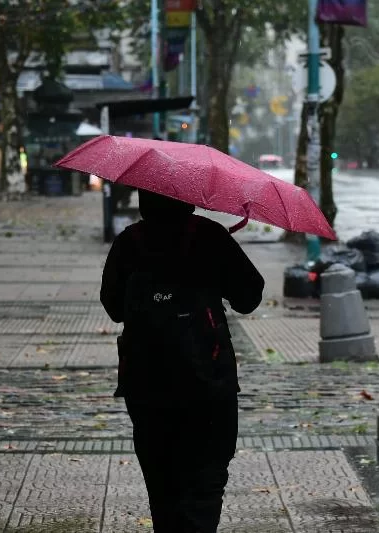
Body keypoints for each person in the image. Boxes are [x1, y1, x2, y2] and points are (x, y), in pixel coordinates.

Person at [101, 190, 264, 533]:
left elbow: (114, 307)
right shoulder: (209, 236)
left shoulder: (129, 242)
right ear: (188, 196)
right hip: (209, 382)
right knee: (206, 479)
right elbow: (249, 297)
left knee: (162, 485)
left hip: (146, 383)